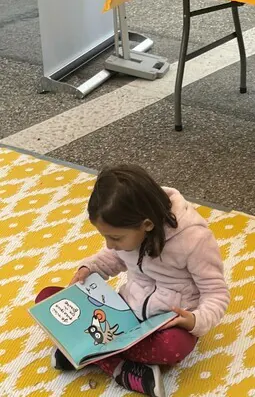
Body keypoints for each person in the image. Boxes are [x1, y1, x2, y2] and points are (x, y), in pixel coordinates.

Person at [35, 165, 229, 397]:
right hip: (124, 311)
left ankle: (84, 351)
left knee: (173, 347)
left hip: (165, 324)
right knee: (48, 299)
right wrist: (90, 267)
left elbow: (217, 293)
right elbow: (114, 256)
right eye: (104, 236)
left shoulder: (195, 240)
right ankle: (118, 367)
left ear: (146, 225)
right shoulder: (129, 231)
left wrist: (195, 321)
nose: (108, 244)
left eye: (115, 237)